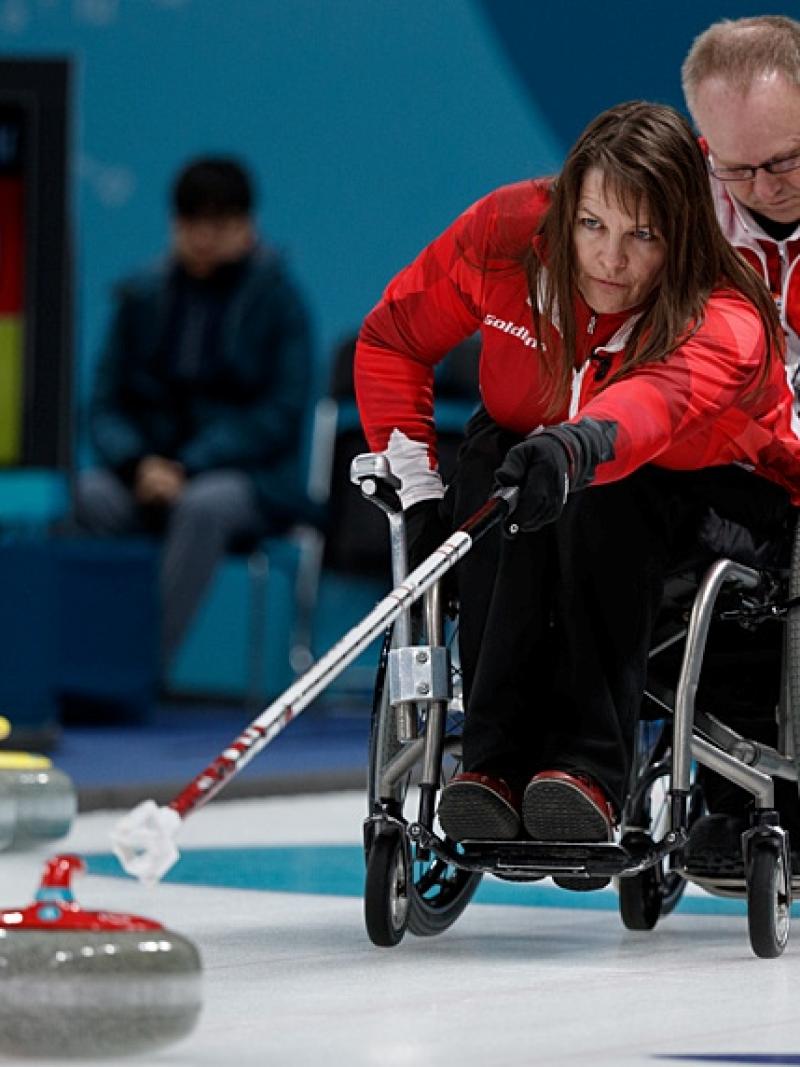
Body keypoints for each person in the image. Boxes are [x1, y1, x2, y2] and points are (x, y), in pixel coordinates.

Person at [354, 101, 800, 890]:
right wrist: (422, 498)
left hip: (730, 496)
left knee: (605, 485)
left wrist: (581, 443)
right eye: (593, 225)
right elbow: (394, 339)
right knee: (497, 455)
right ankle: (490, 768)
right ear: (565, 211)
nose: (611, 260)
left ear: (683, 238)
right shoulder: (505, 235)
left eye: (643, 236)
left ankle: (589, 772)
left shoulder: (726, 310)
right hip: (558, 466)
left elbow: (655, 403)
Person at [74, 156, 314, 669]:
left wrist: (189, 464)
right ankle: (81, 657)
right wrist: (138, 462)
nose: (205, 237)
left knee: (204, 505)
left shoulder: (279, 301)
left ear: (247, 225)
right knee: (89, 495)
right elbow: (103, 404)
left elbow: (281, 412)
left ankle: (135, 668)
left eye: (220, 223)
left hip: (247, 482)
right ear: (174, 224)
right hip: (147, 474)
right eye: (192, 223)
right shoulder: (141, 296)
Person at [679, 15, 800, 877]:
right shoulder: (674, 208)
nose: (763, 185)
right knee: (711, 553)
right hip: (739, 458)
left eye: (786, 161)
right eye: (738, 166)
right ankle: (730, 796)